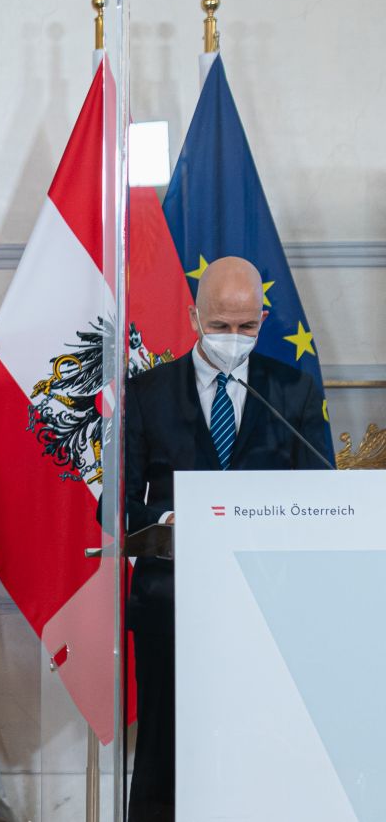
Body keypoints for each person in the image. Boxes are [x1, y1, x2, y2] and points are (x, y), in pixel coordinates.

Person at [119, 255, 331, 821]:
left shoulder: (294, 392)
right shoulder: (145, 393)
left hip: (268, 608)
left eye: (247, 328)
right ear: (194, 318)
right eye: (220, 326)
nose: (234, 339)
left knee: (260, 759)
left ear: (262, 321)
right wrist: (166, 523)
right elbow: (112, 506)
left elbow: (323, 499)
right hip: (171, 607)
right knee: (166, 761)